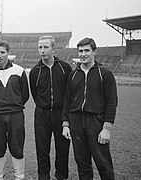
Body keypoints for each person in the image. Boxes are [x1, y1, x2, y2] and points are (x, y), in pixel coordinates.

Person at [62, 38, 118, 180]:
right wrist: (66, 124)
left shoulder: (105, 74)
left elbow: (112, 102)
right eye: (80, 51)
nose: (83, 54)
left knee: (103, 163)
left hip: (96, 121)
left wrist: (107, 128)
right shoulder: (73, 75)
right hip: (76, 121)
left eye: (87, 50)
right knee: (82, 163)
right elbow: (67, 101)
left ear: (94, 52)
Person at [0, 39, 29, 180]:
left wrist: (13, 105)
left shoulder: (19, 71)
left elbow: (25, 95)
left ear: (8, 53)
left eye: (2, 52)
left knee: (17, 147)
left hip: (15, 115)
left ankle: (19, 176)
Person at [29, 35, 72, 180]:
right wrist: (44, 106)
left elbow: (69, 93)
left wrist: (65, 115)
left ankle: (61, 176)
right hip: (42, 114)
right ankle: (44, 177)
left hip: (61, 114)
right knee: (42, 150)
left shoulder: (65, 68)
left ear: (53, 49)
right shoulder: (35, 71)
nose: (42, 50)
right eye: (40, 47)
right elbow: (35, 94)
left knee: (62, 149)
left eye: (46, 47)